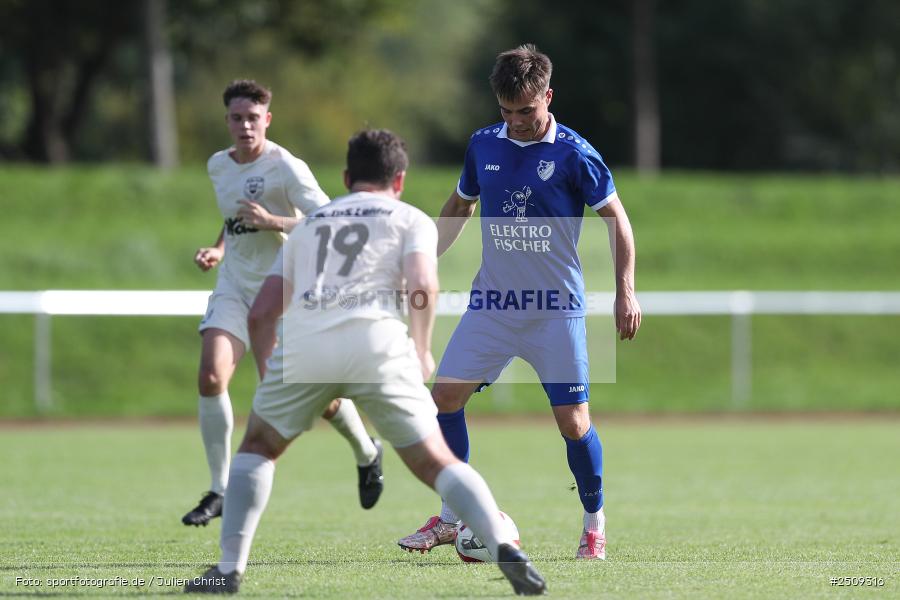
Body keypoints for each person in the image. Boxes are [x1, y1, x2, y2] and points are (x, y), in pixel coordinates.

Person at [184, 129, 546, 595]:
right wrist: (421, 347)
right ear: (399, 180)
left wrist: (269, 368)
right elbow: (422, 285)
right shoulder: (411, 218)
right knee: (436, 460)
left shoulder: (311, 224)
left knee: (258, 448)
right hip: (380, 345)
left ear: (346, 177)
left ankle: (229, 570)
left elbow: (261, 312)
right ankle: (504, 548)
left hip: (309, 345)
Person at [397, 44, 641, 560]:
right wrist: (424, 262)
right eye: (506, 112)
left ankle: (594, 521)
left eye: (526, 112)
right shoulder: (484, 144)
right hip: (494, 306)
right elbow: (460, 205)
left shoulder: (575, 153)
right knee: (443, 400)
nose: (516, 122)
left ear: (547, 97)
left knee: (573, 423)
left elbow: (617, 220)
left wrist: (625, 291)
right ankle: (450, 516)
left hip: (556, 310)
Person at [183, 80, 383, 527]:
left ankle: (367, 451)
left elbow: (329, 216)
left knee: (314, 398)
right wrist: (219, 247)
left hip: (284, 292)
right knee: (212, 375)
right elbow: (235, 215)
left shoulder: (286, 167)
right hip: (234, 287)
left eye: (253, 118)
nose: (245, 126)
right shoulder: (218, 165)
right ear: (227, 121)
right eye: (237, 118)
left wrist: (272, 220)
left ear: (267, 120)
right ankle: (219, 488)